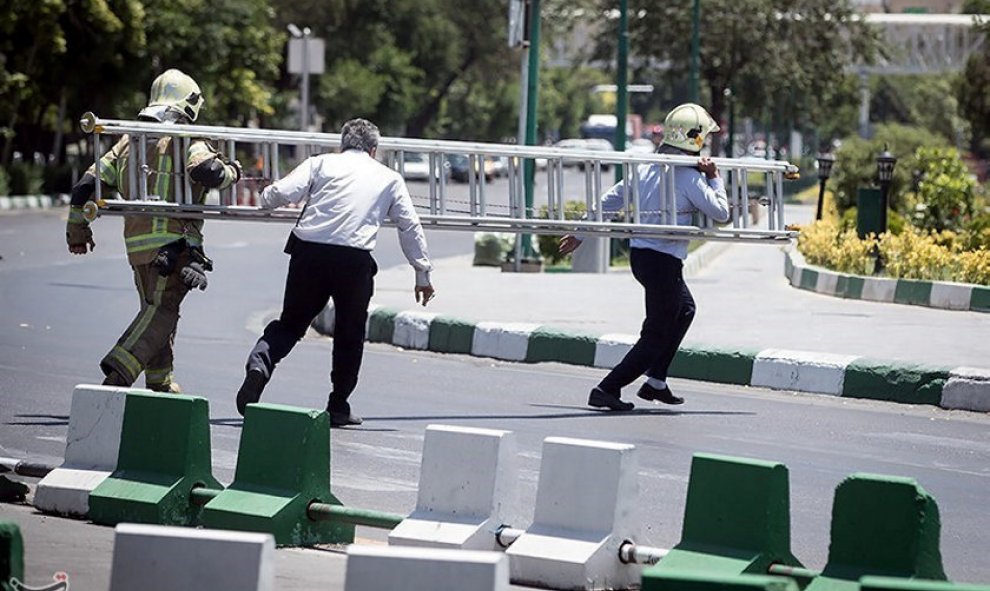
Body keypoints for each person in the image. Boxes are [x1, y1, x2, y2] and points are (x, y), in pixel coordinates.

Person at [235, 118, 435, 427]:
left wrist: (263, 200)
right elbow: (409, 225)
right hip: (354, 262)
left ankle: (260, 365)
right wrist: (422, 273)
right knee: (349, 333)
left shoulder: (320, 164)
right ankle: (338, 404)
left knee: (290, 324)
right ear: (373, 149)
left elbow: (279, 195)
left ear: (342, 144)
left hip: (309, 253)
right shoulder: (389, 177)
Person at [66, 68, 241, 392]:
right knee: (163, 310)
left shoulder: (128, 141)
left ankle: (160, 382)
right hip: (174, 244)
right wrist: (232, 171)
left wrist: (77, 228)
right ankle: (119, 369)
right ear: (190, 103)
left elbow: (86, 185)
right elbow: (206, 170)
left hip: (137, 246)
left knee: (156, 311)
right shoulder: (188, 138)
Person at [559, 103, 729, 411]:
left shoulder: (647, 167)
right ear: (696, 139)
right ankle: (607, 389)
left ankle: (656, 381)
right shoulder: (689, 177)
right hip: (664, 262)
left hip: (642, 258)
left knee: (685, 310)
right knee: (656, 333)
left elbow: (610, 201)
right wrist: (714, 178)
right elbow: (721, 213)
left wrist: (579, 233)